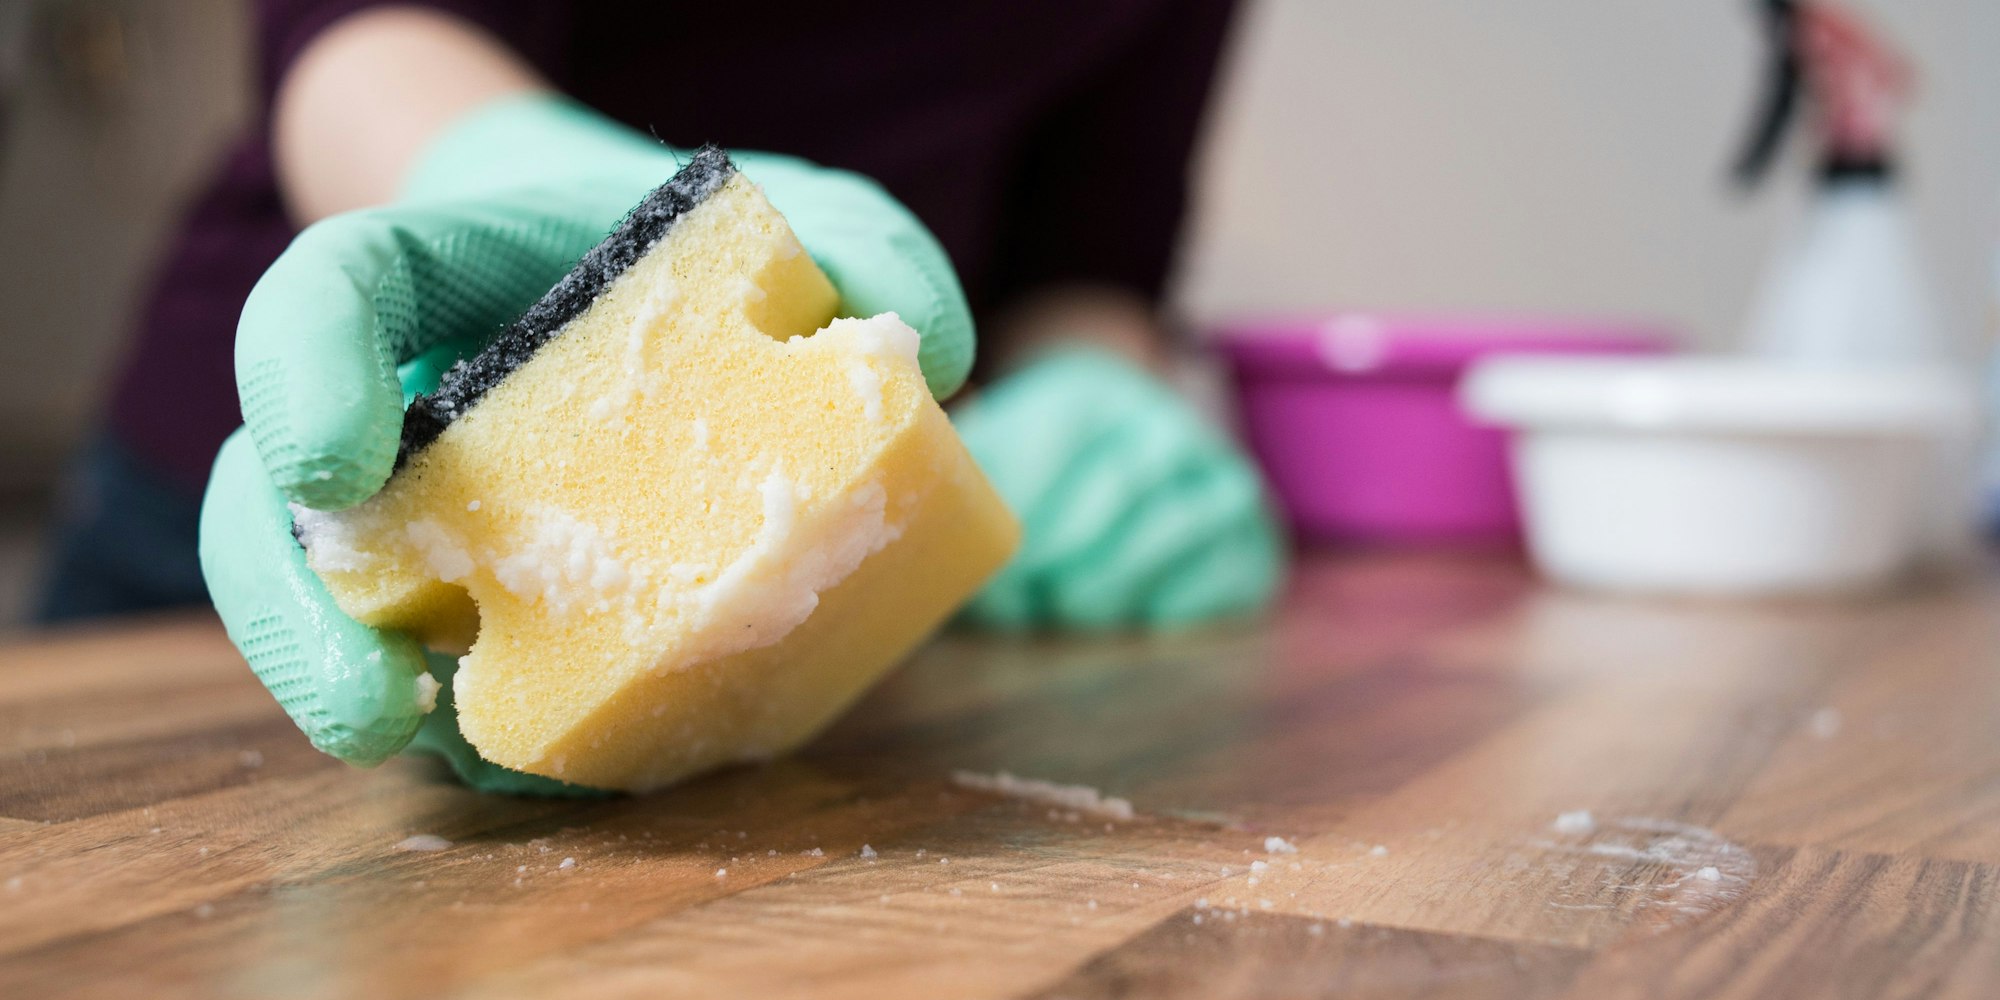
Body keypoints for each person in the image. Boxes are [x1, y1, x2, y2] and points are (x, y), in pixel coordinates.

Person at [40, 2, 1285, 788]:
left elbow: (1090, 225)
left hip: (817, 527)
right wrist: (511, 177)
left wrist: (1089, 380)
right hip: (325, 410)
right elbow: (364, 33)